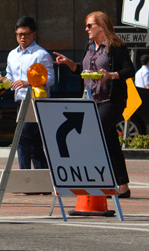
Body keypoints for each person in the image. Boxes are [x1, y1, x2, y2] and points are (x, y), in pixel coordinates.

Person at [53, 11, 133, 198]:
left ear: (101, 26)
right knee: (110, 142)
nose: (86, 29)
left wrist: (110, 75)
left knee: (94, 135)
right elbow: (86, 72)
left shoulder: (115, 46)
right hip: (92, 100)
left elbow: (129, 69)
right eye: (86, 25)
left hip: (112, 101)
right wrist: (70, 64)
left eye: (90, 25)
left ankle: (99, 181)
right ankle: (123, 187)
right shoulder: (89, 46)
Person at [0, 16, 54, 171]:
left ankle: (25, 176)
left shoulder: (41, 54)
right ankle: (41, 179)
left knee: (22, 138)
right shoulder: (13, 54)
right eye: (19, 34)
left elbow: (50, 79)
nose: (22, 37)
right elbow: (10, 76)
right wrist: (1, 85)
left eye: (26, 34)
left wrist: (29, 83)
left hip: (36, 102)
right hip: (20, 102)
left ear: (34, 34)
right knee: (34, 142)